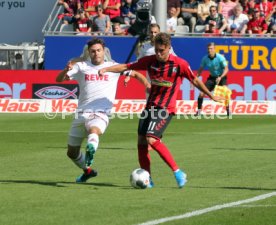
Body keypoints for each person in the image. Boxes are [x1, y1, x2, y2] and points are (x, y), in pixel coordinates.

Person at [98, 33, 221, 188]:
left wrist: (211, 96)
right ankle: (148, 179)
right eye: (156, 50)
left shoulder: (179, 64)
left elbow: (195, 80)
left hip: (166, 108)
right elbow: (127, 66)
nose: (158, 53)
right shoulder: (150, 61)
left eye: (161, 50)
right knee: (141, 142)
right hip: (150, 107)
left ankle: (178, 172)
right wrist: (106, 69)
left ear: (169, 48)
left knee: (151, 139)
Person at [56, 38, 150, 183]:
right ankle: (87, 171)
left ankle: (91, 149)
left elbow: (136, 74)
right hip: (81, 113)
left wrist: (146, 84)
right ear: (89, 52)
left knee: (94, 130)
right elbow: (59, 80)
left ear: (103, 51)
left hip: (101, 112)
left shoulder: (113, 66)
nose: (96, 54)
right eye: (93, 51)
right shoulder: (81, 66)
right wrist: (65, 70)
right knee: (71, 152)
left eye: (99, 50)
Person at [195, 42, 230, 117]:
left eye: (211, 48)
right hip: (212, 78)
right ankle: (198, 111)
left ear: (214, 49)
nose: (209, 50)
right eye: (208, 49)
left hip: (221, 77)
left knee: (225, 93)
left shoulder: (220, 57)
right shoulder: (205, 58)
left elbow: (226, 69)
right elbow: (201, 69)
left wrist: (220, 77)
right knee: (201, 94)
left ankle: (228, 110)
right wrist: (195, 78)